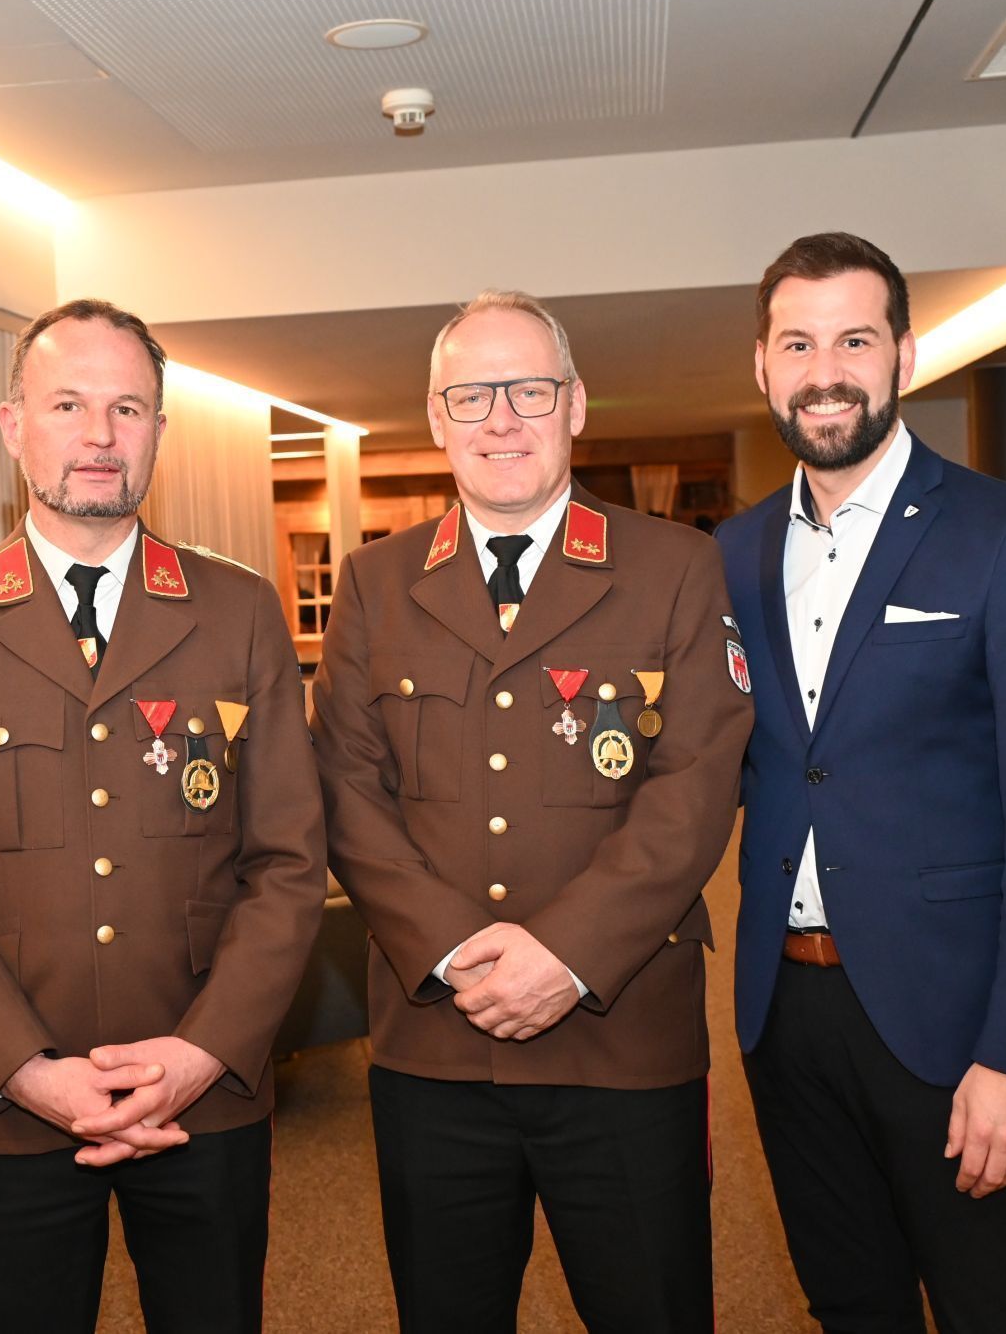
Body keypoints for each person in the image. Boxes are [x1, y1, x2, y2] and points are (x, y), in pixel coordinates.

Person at [0, 298, 324, 1333]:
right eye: (67, 403)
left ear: (159, 428)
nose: (99, 434)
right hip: (12, 1105)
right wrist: (33, 1074)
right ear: (11, 423)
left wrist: (197, 1054)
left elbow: (288, 863)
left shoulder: (239, 607)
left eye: (127, 406)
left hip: (204, 1098)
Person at [310, 290, 752, 1332]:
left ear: (576, 405)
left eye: (528, 389)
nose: (499, 418)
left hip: (621, 1034)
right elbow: (342, 787)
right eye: (471, 394)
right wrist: (456, 946)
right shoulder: (372, 584)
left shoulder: (675, 567)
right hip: (434, 1041)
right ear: (434, 417)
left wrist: (564, 952)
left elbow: (695, 782)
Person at [715, 232, 1006, 1332]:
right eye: (796, 342)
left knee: (988, 1307)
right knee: (849, 1300)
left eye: (852, 337)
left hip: (949, 1018)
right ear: (761, 365)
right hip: (782, 1012)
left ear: (902, 352)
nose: (823, 368)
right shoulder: (734, 553)